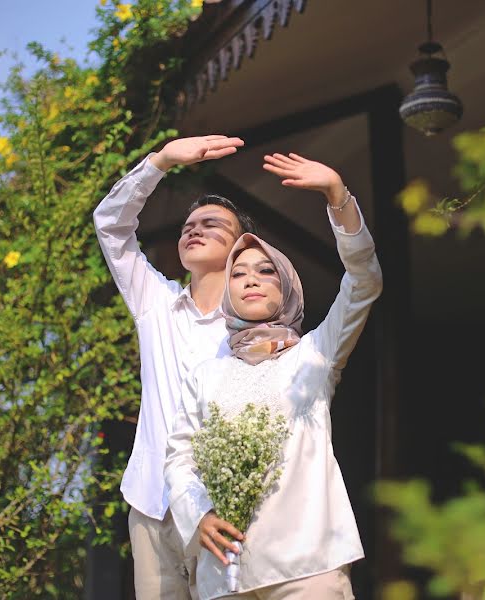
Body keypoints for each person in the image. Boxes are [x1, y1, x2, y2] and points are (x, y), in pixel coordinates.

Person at [164, 152, 382, 599]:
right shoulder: (207, 375)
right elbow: (179, 457)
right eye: (238, 273)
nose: (251, 279)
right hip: (225, 572)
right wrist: (199, 514)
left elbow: (363, 281)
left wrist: (337, 197)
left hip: (307, 564)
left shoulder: (314, 355)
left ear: (286, 286)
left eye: (266, 271)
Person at [93, 134, 253, 599]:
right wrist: (160, 162)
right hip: (152, 505)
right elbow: (111, 225)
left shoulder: (257, 326)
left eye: (211, 224)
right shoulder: (155, 303)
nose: (193, 230)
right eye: (188, 225)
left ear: (242, 245)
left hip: (223, 508)